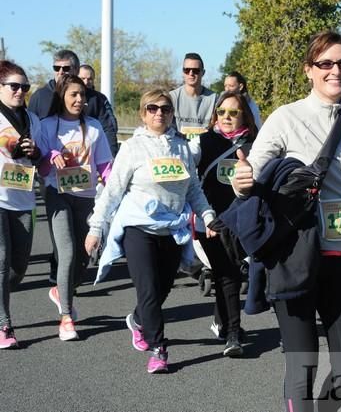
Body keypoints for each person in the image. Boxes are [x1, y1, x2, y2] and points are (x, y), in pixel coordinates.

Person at [232, 31, 341, 412]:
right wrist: (240, 181)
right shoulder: (286, 118)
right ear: (309, 70)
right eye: (325, 63)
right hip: (295, 255)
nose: (336, 71)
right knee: (303, 364)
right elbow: (250, 176)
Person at [85, 89, 218, 373]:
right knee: (147, 288)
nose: (159, 113)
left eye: (165, 109)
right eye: (152, 108)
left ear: (172, 114)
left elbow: (194, 188)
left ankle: (138, 319)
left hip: (172, 228)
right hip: (138, 227)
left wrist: (208, 216)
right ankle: (159, 349)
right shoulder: (133, 148)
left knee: (162, 288)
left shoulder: (181, 147)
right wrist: (96, 227)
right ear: (144, 114)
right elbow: (112, 191)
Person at [37, 74, 113, 341]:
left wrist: (116, 189)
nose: (80, 100)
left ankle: (61, 291)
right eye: (73, 95)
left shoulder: (93, 128)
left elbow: (105, 166)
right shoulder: (46, 126)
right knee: (67, 252)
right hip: (57, 193)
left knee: (85, 254)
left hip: (86, 195)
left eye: (82, 95)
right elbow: (41, 166)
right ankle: (66, 318)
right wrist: (51, 155)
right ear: (62, 97)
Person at [188, 92, 257, 356]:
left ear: (244, 116)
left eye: (233, 112)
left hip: (246, 220)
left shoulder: (256, 143)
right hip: (212, 220)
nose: (226, 117)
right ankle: (233, 334)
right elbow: (183, 166)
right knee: (227, 273)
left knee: (228, 273)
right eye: (222, 112)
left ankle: (222, 320)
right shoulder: (202, 142)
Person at [0, 60, 42, 349]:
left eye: (24, 87)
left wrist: (36, 152)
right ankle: (4, 325)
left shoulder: (33, 119)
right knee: (2, 263)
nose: (20, 91)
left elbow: (40, 156)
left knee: (19, 267)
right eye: (14, 86)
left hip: (23, 197)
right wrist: (12, 147)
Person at [28, 49, 118, 156]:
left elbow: (108, 130)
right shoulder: (40, 96)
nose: (60, 72)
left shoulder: (95, 98)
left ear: (76, 70)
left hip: (85, 161)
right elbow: (30, 129)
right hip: (49, 164)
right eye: (56, 68)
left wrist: (111, 159)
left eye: (65, 68)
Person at [169, 53, 217, 140]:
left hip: (206, 148)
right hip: (179, 148)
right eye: (187, 70)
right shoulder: (172, 98)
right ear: (183, 72)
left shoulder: (214, 99)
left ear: (203, 72)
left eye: (196, 70)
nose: (191, 73)